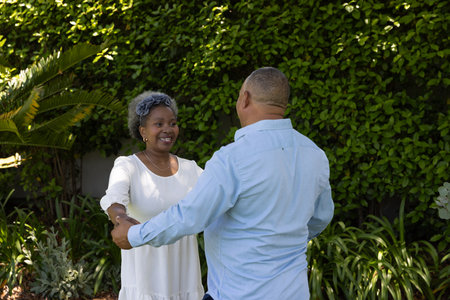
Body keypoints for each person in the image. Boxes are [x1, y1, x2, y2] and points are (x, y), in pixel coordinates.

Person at [112, 67, 334, 299]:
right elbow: (321, 217)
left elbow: (189, 216)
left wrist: (134, 235)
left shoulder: (233, 158)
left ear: (244, 98)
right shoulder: (314, 154)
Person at [100, 91, 204, 300]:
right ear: (143, 131)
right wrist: (120, 218)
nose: (168, 129)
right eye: (159, 124)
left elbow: (218, 195)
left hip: (184, 279)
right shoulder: (128, 166)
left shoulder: (191, 169)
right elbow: (114, 199)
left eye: (172, 123)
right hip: (145, 282)